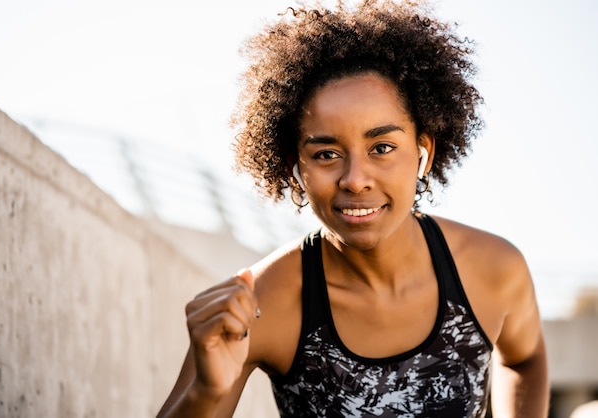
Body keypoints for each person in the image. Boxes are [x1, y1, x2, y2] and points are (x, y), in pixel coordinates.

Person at [157, 1, 549, 417]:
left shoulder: (492, 270)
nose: (355, 179)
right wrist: (205, 390)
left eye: (382, 148)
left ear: (423, 154)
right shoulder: (263, 304)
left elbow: (524, 359)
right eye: (326, 154)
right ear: (296, 169)